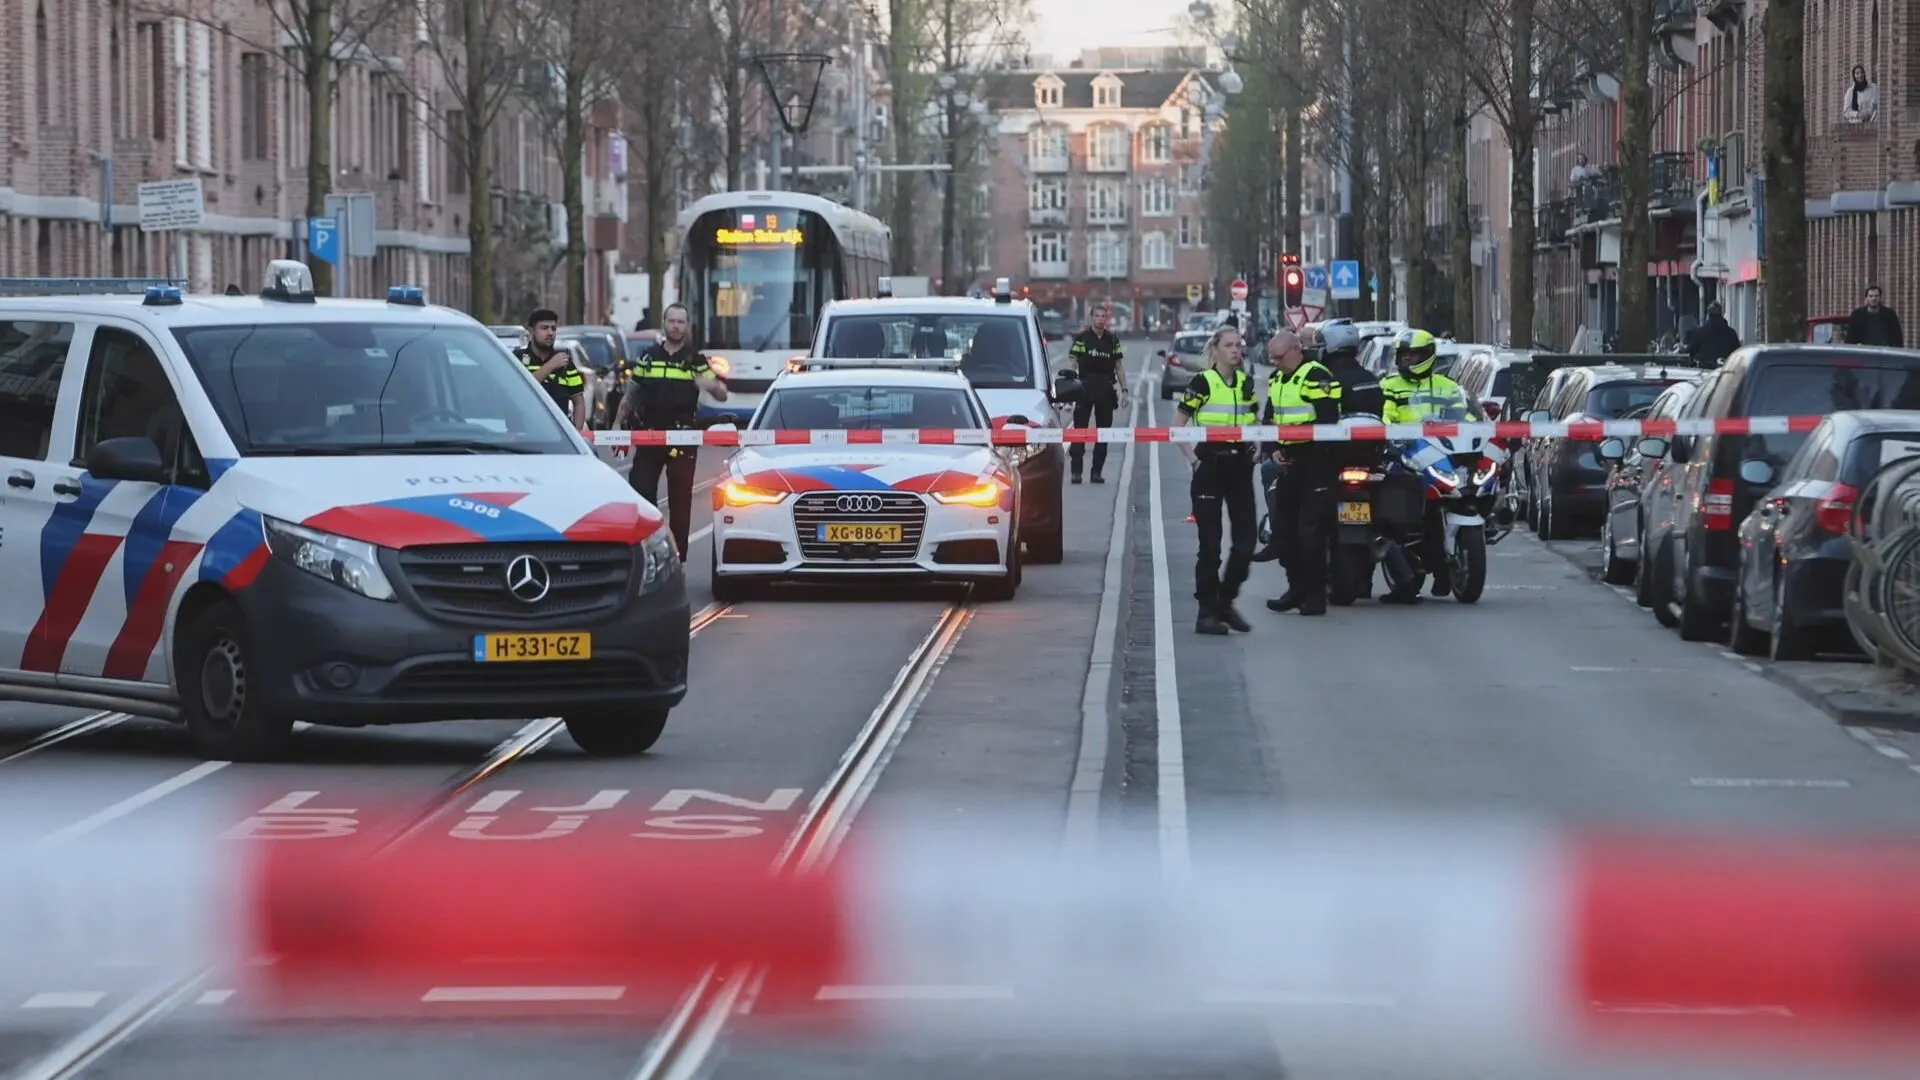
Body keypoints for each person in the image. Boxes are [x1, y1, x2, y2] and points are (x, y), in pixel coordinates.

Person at [617, 302, 728, 558]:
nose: (676, 326)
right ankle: (648, 554)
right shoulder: (648, 355)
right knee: (642, 495)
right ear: (664, 323)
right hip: (650, 435)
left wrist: (710, 385)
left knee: (680, 503)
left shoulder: (695, 359)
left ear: (687, 326)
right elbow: (632, 393)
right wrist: (615, 426)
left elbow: (721, 394)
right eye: (672, 321)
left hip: (683, 438)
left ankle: (679, 559)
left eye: (681, 322)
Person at [1172, 326, 1260, 634]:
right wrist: (1194, 460)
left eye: (1239, 345)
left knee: (1247, 542)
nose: (1236, 350)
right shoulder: (1203, 382)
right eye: (1229, 345)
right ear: (1216, 350)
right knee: (1210, 545)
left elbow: (1254, 423)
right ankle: (1206, 613)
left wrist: (1256, 446)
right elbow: (1178, 424)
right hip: (1209, 464)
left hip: (1239, 467)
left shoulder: (1247, 383)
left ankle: (1225, 600)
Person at [1379, 328, 1471, 599]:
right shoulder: (1389, 385)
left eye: (1412, 355)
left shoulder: (1448, 386)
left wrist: (1480, 431)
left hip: (1443, 456)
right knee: (1401, 510)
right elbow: (1384, 418)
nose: (1406, 360)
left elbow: (1466, 416)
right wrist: (1392, 437)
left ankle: (1446, 566)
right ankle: (1409, 566)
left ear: (1427, 356)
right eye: (1403, 356)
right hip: (1404, 457)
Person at [1258, 330, 1343, 616]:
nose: (1274, 362)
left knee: (1311, 532)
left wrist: (1303, 446)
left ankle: (1315, 596)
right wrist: (1273, 448)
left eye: (1279, 357)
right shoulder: (1277, 379)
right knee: (1284, 531)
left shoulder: (1316, 376)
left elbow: (1329, 418)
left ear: (1296, 350)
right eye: (1272, 357)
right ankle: (1295, 589)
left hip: (1315, 460)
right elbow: (1269, 418)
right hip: (1289, 460)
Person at [1064, 301, 1126, 483]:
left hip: (1106, 389)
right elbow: (1073, 362)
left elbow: (1119, 367)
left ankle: (1096, 472)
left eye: (1103, 317)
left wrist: (1125, 390)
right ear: (1092, 318)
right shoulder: (1082, 338)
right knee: (1079, 432)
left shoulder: (1112, 340)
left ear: (1107, 319)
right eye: (1097, 316)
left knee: (1103, 433)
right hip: (1084, 388)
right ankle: (1076, 472)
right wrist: (1069, 389)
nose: (1100, 320)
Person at [514, 307, 586, 429]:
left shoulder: (565, 362)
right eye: (544, 328)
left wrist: (576, 432)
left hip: (558, 436)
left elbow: (578, 401)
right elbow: (521, 389)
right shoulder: (518, 358)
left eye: (553, 328)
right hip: (525, 434)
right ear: (531, 331)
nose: (550, 333)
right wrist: (551, 365)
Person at [1685, 301, 1741, 366]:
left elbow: (1691, 350)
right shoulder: (1731, 333)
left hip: (1704, 370)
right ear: (1721, 314)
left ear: (1708, 315)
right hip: (1725, 370)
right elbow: (1737, 352)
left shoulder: (1699, 332)